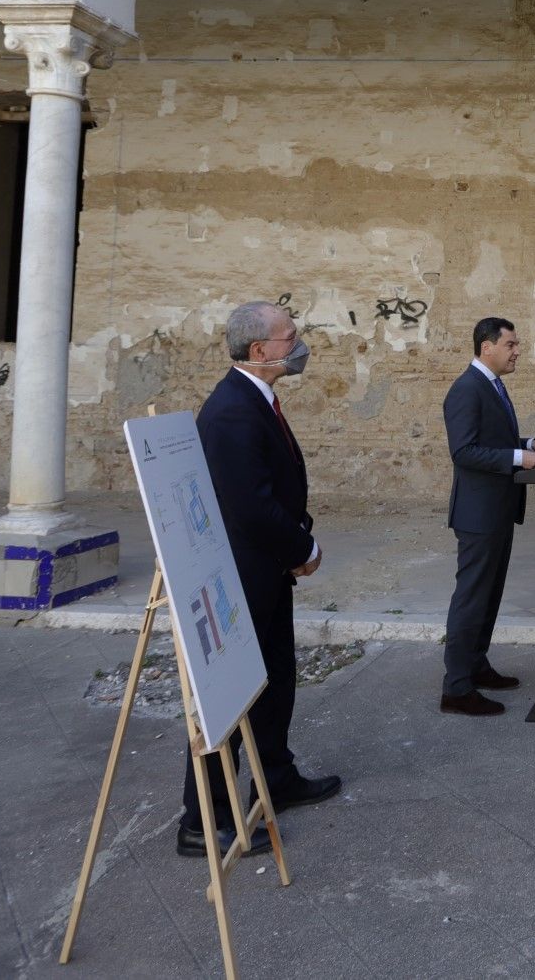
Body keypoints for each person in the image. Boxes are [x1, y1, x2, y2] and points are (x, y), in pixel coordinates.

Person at [179, 299, 342, 858]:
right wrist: (304, 547)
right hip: (243, 574)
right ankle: (202, 820)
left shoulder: (256, 399)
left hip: (267, 570)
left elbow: (280, 481)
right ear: (260, 351)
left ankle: (276, 777)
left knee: (274, 679)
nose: (298, 345)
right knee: (228, 695)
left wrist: (298, 534)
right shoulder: (230, 412)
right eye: (289, 336)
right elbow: (249, 506)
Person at [440, 316, 535, 717]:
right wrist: (518, 458)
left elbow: (495, 440)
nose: (517, 350)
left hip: (498, 509)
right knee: (471, 599)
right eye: (511, 344)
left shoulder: (492, 385)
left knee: (488, 597)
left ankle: (476, 666)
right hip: (478, 513)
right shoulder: (466, 390)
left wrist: (529, 443)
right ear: (487, 347)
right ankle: (456, 688)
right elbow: (465, 451)